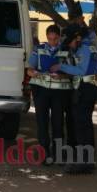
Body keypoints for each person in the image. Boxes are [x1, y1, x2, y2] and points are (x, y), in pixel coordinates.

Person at [50, 23, 97, 174]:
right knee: (85, 125)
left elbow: (81, 70)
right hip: (88, 87)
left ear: (78, 38)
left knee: (81, 125)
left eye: (71, 41)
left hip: (85, 89)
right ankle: (87, 161)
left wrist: (61, 67)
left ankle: (83, 162)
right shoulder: (89, 46)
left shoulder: (85, 49)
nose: (70, 45)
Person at [28, 24, 72, 165]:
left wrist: (62, 75)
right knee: (42, 123)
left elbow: (72, 72)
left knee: (58, 123)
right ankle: (44, 154)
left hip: (59, 93)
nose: (52, 41)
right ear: (46, 37)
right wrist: (34, 73)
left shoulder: (66, 51)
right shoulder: (38, 49)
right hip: (41, 91)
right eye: (50, 38)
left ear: (59, 37)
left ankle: (58, 155)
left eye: (55, 39)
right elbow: (29, 69)